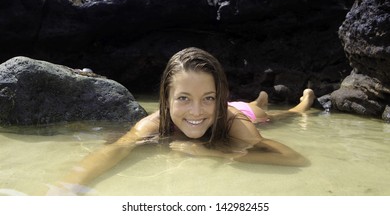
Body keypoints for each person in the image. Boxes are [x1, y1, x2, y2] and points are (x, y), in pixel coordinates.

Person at [48, 47, 315, 195]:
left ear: (219, 95)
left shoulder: (234, 122)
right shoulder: (154, 122)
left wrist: (210, 153)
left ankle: (301, 103)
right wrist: (67, 187)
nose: (196, 111)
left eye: (208, 97)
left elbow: (293, 159)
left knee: (279, 116)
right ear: (165, 99)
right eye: (183, 98)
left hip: (244, 112)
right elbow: (115, 149)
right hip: (226, 108)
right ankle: (260, 100)